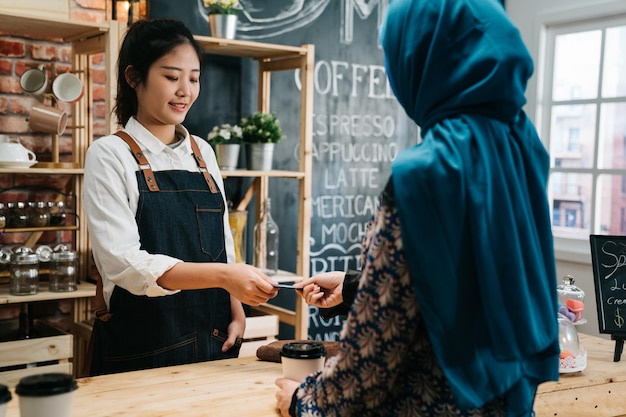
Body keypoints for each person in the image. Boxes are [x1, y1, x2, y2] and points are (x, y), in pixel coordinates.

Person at [275, 0, 560, 415]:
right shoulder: (521, 147)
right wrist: (357, 284)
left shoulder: (429, 171)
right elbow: (471, 274)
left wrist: (301, 399)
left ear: (420, 59)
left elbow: (371, 362)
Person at [83, 18, 278, 376]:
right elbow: (124, 263)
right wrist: (224, 276)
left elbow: (223, 243)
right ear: (133, 77)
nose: (185, 90)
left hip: (214, 341)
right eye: (171, 77)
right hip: (141, 353)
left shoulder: (202, 151)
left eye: (194, 78)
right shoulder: (109, 154)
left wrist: (236, 310)